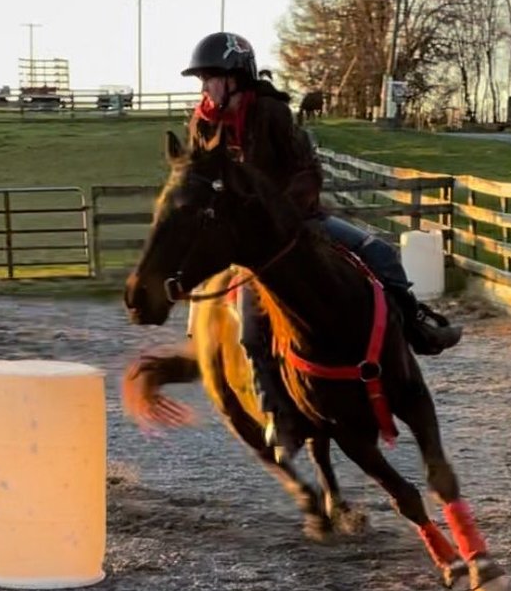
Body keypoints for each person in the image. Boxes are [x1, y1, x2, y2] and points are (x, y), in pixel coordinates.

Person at [181, 31, 462, 461]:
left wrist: (287, 213)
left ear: (236, 77)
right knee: (252, 330)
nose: (205, 88)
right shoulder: (202, 124)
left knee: (381, 254)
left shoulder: (272, 113)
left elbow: (307, 169)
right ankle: (280, 414)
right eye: (202, 80)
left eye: (210, 78)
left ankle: (417, 325)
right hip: (251, 247)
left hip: (301, 221)